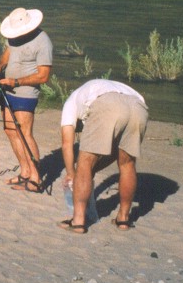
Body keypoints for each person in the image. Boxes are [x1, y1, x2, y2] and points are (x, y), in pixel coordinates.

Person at [58, 79, 148, 234]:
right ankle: (123, 219)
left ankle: (78, 222)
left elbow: (67, 144)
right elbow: (112, 151)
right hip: (138, 106)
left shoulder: (70, 104)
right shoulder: (93, 89)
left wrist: (71, 173)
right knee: (127, 164)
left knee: (84, 163)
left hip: (108, 104)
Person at [0, 7, 53, 194]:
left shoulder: (43, 41)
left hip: (26, 92)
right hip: (7, 89)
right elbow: (7, 54)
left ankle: (36, 179)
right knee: (10, 130)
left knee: (24, 133)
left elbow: (43, 76)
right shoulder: (14, 37)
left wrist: (16, 81)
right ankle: (25, 172)